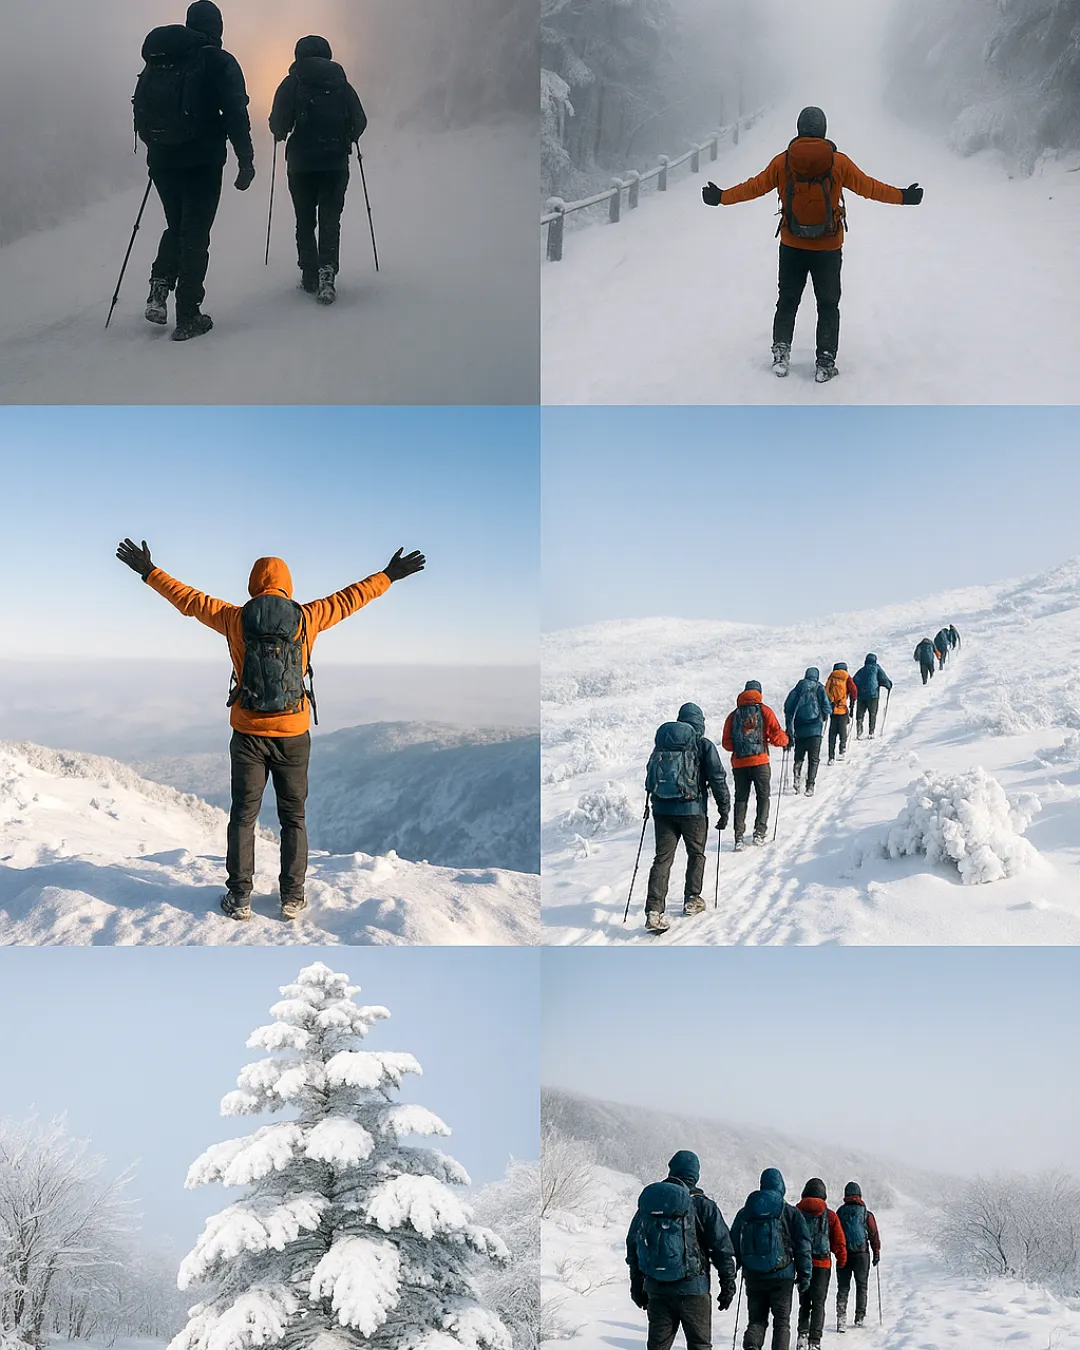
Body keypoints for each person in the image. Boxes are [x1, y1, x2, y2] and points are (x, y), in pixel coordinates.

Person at [115, 538, 425, 921]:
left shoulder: (234, 617)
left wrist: (149, 571)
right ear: (287, 585)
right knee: (293, 818)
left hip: (248, 734)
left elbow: (189, 600)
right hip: (293, 734)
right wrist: (389, 576)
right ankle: (292, 898)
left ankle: (240, 898)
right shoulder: (307, 617)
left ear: (252, 584)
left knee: (244, 816)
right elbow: (349, 599)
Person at [700, 106, 923, 383]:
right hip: (828, 247)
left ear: (799, 129)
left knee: (788, 300)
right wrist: (903, 196)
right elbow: (870, 187)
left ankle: (781, 353)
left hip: (792, 244)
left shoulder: (782, 162)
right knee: (828, 304)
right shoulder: (838, 162)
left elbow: (753, 187)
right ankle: (825, 362)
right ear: (823, 130)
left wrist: (721, 196)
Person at [135, 1, 254, 341]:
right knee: (196, 231)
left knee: (177, 224)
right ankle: (188, 315)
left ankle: (158, 289)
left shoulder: (159, 59)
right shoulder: (218, 60)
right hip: (203, 160)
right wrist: (245, 159)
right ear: (217, 27)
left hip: (162, 160)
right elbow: (235, 113)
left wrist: (157, 148)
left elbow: (141, 111)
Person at [269, 36, 368, 305]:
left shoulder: (292, 82)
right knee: (330, 218)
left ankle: (309, 273)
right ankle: (328, 272)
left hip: (300, 165)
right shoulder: (341, 83)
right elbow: (360, 120)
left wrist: (282, 132)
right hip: (335, 163)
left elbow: (278, 124)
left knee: (304, 219)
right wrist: (346, 137)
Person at [626, 1150, 738, 1350]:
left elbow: (633, 1242)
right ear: (695, 1175)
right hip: (694, 1289)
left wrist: (637, 1283)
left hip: (657, 1288)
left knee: (657, 1347)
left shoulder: (651, 1204)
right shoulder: (704, 1205)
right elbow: (722, 1248)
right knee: (699, 1346)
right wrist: (727, 1284)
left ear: (672, 1170)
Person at [644, 703, 730, 933]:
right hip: (693, 811)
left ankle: (654, 911)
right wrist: (724, 809)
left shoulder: (663, 743)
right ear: (700, 722)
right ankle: (692, 898)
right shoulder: (703, 745)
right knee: (696, 854)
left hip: (662, 811)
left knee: (662, 859)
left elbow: (651, 775)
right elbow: (717, 778)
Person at [730, 1168, 812, 1350]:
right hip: (783, 1276)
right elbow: (803, 1245)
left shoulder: (746, 1212)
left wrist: (736, 1267)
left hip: (753, 1276)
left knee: (757, 1320)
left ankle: (752, 1346)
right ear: (781, 1186)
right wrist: (805, 1274)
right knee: (782, 1322)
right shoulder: (790, 1212)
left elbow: (733, 1241)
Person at [722, 681, 788, 850]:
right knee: (763, 797)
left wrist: (740, 747)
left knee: (741, 798)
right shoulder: (765, 711)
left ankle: (738, 836)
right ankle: (759, 832)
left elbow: (727, 744)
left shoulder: (734, 714)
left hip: (739, 764)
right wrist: (785, 741)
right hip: (760, 762)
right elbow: (776, 735)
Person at [794, 1180, 846, 1350]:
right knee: (818, 1303)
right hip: (822, 1264)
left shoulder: (795, 1212)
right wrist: (841, 1259)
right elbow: (838, 1241)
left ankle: (802, 1335)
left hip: (802, 1263)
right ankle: (815, 1341)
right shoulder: (830, 1215)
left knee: (804, 1302)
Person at [835, 1183, 880, 1333]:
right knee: (862, 1286)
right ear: (859, 1194)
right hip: (862, 1254)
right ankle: (859, 1318)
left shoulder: (840, 1212)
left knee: (843, 1287)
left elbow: (834, 1233)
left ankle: (841, 1319)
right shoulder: (866, 1213)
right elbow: (873, 1234)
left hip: (844, 1254)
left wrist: (836, 1251)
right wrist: (876, 1252)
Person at [784, 669, 830, 797]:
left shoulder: (797, 689)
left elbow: (788, 707)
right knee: (813, 759)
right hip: (815, 729)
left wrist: (789, 727)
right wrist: (824, 716)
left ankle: (797, 780)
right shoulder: (819, 688)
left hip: (799, 729)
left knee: (799, 757)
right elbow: (827, 707)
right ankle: (810, 785)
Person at [852, 654, 892, 740]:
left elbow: (854, 681)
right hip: (873, 695)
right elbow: (883, 679)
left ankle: (859, 732)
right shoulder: (877, 668)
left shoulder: (861, 670)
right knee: (872, 713)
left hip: (861, 695)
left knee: (860, 715)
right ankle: (871, 732)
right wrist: (888, 685)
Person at [824, 663, 858, 766]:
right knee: (843, 731)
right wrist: (852, 704)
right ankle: (842, 750)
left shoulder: (831, 676)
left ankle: (831, 756)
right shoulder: (847, 677)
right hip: (842, 709)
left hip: (833, 709)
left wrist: (828, 705)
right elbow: (854, 691)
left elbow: (825, 691)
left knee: (832, 733)